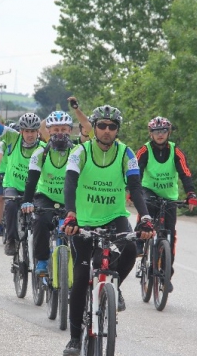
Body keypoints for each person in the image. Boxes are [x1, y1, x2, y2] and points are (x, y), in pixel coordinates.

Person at [61, 105, 155, 356]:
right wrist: (71, 215)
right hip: (83, 221)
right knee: (81, 279)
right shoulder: (79, 151)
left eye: (112, 127)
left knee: (131, 249)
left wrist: (145, 218)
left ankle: (114, 287)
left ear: (117, 131)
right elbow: (70, 183)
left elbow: (136, 188)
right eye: (101, 125)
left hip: (114, 218)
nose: (106, 130)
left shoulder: (126, 153)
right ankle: (73, 338)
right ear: (94, 127)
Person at [135, 116, 197, 290]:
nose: (160, 135)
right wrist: (133, 192)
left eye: (163, 131)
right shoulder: (144, 150)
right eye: (156, 132)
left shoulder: (176, 152)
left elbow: (185, 173)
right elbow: (136, 172)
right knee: (145, 207)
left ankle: (166, 274)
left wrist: (191, 194)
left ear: (168, 133)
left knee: (169, 235)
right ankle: (139, 240)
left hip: (169, 195)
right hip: (149, 191)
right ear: (151, 133)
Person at [0, 91, 44, 255]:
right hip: (13, 184)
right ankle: (11, 239)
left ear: (38, 132)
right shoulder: (12, 137)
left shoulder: (43, 148)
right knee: (10, 204)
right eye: (26, 131)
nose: (30, 135)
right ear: (21, 131)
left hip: (34, 188)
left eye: (33, 131)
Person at [21, 111, 74, 275]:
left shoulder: (78, 151)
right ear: (48, 131)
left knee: (81, 231)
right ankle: (42, 261)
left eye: (64, 129)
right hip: (46, 198)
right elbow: (31, 181)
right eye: (55, 129)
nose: (60, 133)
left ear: (70, 130)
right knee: (40, 221)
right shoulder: (40, 153)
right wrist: (27, 201)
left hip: (71, 200)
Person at [0, 122, 18, 236]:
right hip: (2, 172)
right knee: (0, 198)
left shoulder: (20, 144)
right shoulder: (3, 144)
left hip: (15, 173)